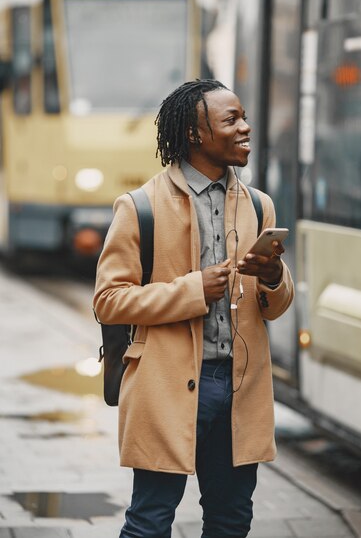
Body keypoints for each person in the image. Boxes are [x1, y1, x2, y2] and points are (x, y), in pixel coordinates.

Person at [93, 79, 294, 538]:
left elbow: (277, 306)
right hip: (166, 386)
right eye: (231, 120)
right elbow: (108, 301)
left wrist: (271, 278)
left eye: (244, 117)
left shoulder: (259, 205)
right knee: (149, 522)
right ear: (193, 134)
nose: (245, 128)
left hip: (240, 389)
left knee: (231, 521)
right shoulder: (140, 207)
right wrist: (192, 290)